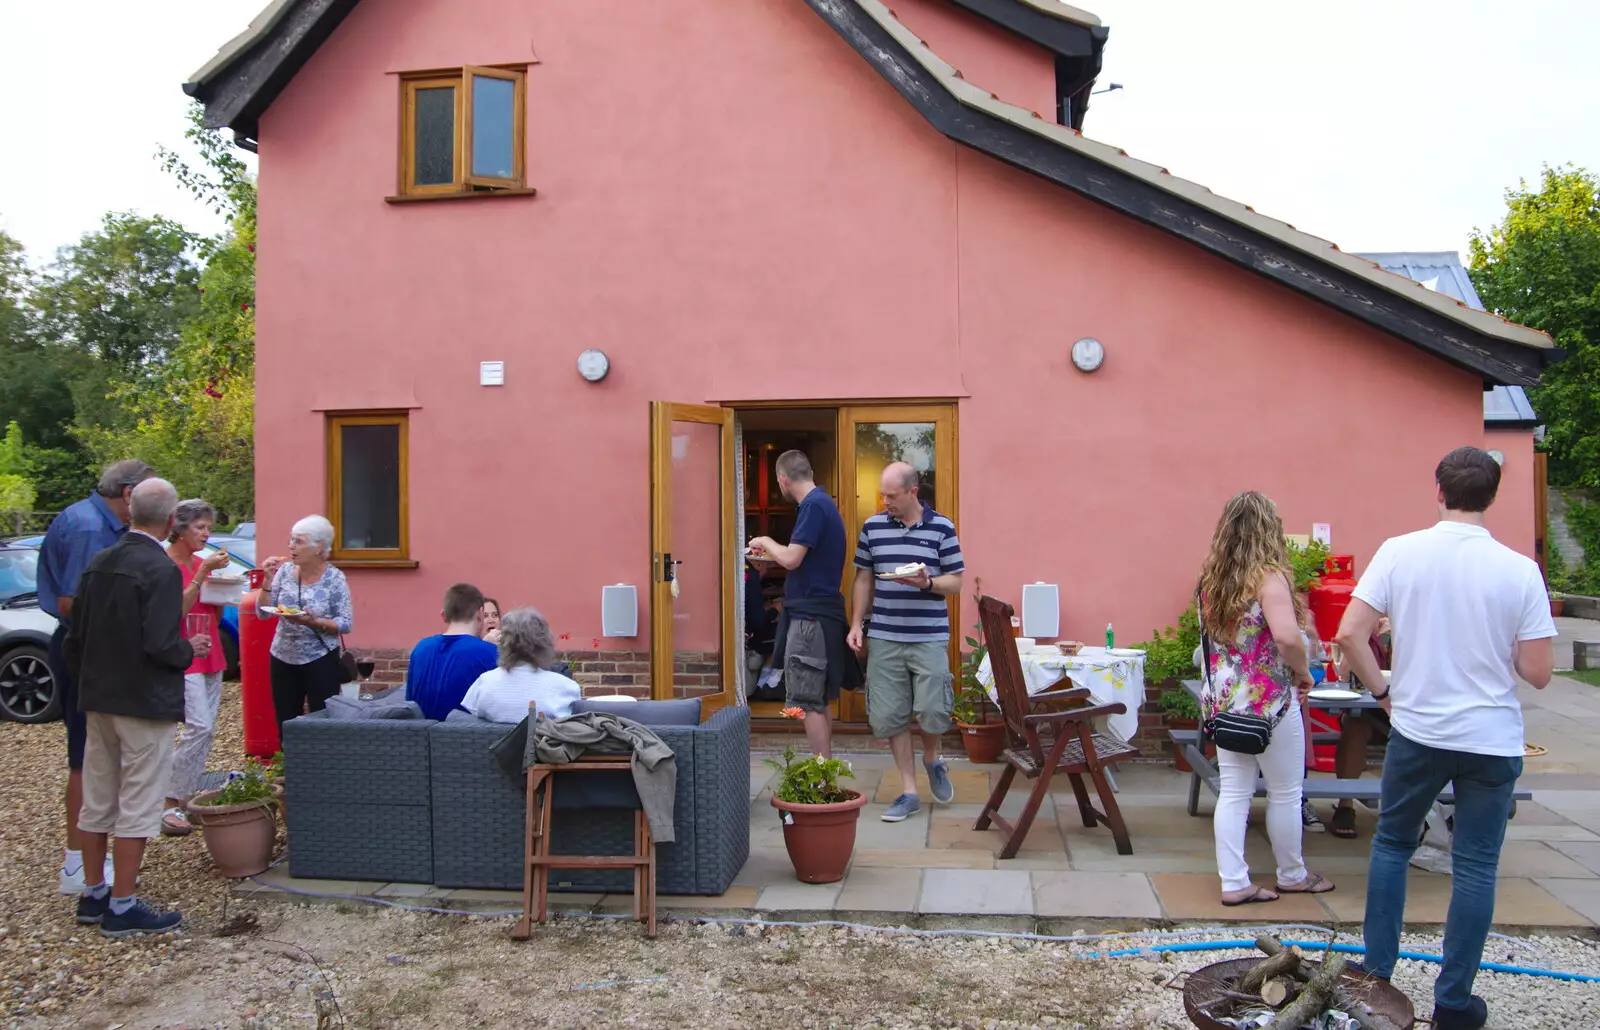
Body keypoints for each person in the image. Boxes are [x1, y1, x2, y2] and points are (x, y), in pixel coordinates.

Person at [1337, 447, 1554, 1030]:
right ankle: (1453, 1004)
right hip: (1491, 738)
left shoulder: (1399, 552)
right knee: (1477, 865)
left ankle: (1375, 982)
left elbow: (1350, 633)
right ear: (1493, 494)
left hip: (1419, 730)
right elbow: (1537, 671)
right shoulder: (1519, 570)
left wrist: (1384, 690)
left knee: (1392, 847)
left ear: (1438, 490)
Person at [65, 478, 209, 936]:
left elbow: (76, 636)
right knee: (140, 801)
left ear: (130, 512)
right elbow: (162, 643)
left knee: (98, 796)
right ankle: (123, 905)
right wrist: (191, 650)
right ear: (171, 522)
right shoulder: (161, 569)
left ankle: (94, 894)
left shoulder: (100, 562)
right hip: (142, 701)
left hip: (99, 697)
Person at [1198, 491, 1333, 906]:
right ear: (1269, 529)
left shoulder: (1213, 581)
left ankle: (1234, 881)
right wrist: (1301, 669)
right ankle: (1292, 874)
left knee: (1234, 792)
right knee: (1286, 792)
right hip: (1268, 703)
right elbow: (1288, 637)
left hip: (1225, 701)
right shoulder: (1269, 578)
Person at [37, 458, 154, 895]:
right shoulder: (88, 528)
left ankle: (89, 861)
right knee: (86, 757)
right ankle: (77, 865)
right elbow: (74, 602)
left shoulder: (99, 523)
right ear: (128, 494)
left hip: (94, 652)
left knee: (99, 755)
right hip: (86, 654)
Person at [846, 462, 964, 823]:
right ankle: (909, 790)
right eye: (882, 495)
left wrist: (928, 583)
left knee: (932, 711)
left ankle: (932, 759)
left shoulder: (942, 528)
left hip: (928, 636)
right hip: (884, 636)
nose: (885, 502)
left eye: (892, 496)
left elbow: (956, 582)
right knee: (890, 715)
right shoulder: (873, 527)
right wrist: (856, 624)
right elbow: (864, 578)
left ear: (914, 492)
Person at [748, 450, 856, 757]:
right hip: (820, 614)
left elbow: (793, 559)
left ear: (782, 479)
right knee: (818, 698)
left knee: (808, 701)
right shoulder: (822, 504)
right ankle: (826, 774)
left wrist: (765, 542)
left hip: (810, 618)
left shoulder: (813, 506)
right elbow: (806, 561)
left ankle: (822, 780)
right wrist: (770, 560)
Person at [159, 501, 233, 836]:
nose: (207, 534)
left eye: (208, 527)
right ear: (180, 527)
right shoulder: (166, 565)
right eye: (200, 527)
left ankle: (184, 797)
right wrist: (202, 575)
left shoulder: (201, 562)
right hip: (182, 654)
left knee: (206, 731)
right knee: (198, 726)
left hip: (210, 651)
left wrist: (222, 589)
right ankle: (167, 801)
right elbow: (173, 612)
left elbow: (212, 613)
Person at [259, 516, 354, 728]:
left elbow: (346, 623)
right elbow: (263, 613)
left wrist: (314, 622)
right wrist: (266, 581)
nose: (291, 547)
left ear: (318, 547)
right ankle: (289, 760)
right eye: (291, 541)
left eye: (299, 541)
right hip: (282, 656)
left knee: (321, 724)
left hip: (319, 658)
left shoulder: (334, 579)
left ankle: (320, 761)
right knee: (285, 721)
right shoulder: (283, 572)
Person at [1325, 620, 1392, 839]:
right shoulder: (1369, 630)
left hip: (1414, 707)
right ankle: (1346, 805)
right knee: (1357, 725)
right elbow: (1343, 675)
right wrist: (1363, 636)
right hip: (1372, 708)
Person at [459, 607, 583, 722]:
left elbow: (472, 722)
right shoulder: (566, 687)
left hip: (492, 745)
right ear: (544, 644)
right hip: (540, 745)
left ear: (504, 643)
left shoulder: (484, 683)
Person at [404, 583, 500, 720]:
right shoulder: (490, 652)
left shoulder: (420, 648)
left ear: (444, 615)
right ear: (479, 614)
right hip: (469, 737)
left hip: (421, 738)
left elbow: (409, 704)